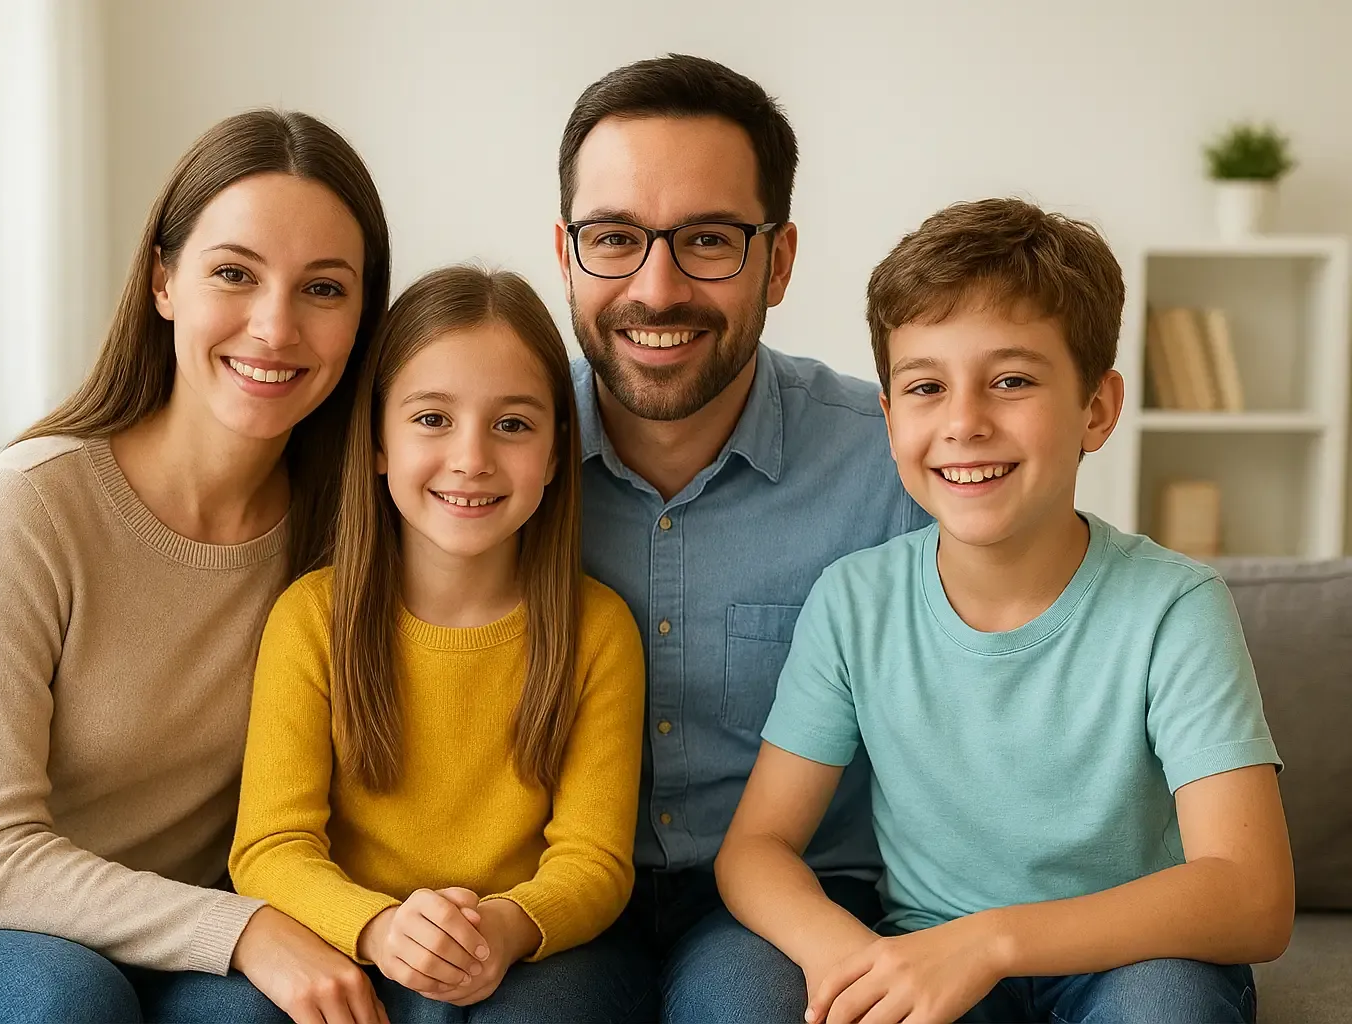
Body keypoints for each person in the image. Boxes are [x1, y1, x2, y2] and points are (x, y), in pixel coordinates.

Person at [0, 109, 394, 1024]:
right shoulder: (33, 502)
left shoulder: (350, 534)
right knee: (63, 1002)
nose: (275, 326)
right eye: (234, 274)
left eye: (324, 289)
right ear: (164, 280)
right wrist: (246, 932)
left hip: (159, 940)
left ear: (363, 318)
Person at [717, 197, 1294, 1024]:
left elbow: (1252, 895)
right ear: (888, 418)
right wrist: (853, 961)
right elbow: (755, 850)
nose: (963, 422)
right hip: (922, 952)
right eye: (925, 386)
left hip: (1133, 960)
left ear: (1096, 408)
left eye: (1012, 380)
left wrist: (990, 943)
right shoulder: (855, 602)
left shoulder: (1176, 608)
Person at [553, 54, 930, 1021]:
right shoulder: (486, 454)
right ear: (565, 254)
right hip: (549, 895)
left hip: (801, 899)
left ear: (781, 259)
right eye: (614, 238)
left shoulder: (896, 465)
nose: (659, 287)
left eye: (710, 240)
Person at [229, 265, 648, 1024]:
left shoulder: (597, 629)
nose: (472, 458)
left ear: (557, 454)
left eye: (513, 424)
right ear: (379, 441)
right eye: (431, 419)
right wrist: (380, 929)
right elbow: (271, 846)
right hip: (353, 934)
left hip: (517, 951)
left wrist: (505, 927)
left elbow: (595, 861)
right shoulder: (312, 617)